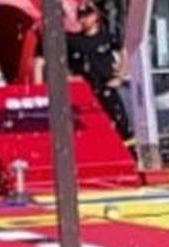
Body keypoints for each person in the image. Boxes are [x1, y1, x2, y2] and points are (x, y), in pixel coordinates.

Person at [53, 4, 133, 146]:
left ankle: (131, 154)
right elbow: (57, 58)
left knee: (121, 123)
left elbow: (123, 52)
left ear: (96, 16)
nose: (83, 19)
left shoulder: (107, 37)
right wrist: (68, 77)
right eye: (80, 16)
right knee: (89, 125)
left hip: (107, 87)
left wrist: (120, 75)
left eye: (87, 15)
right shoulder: (73, 41)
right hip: (85, 90)